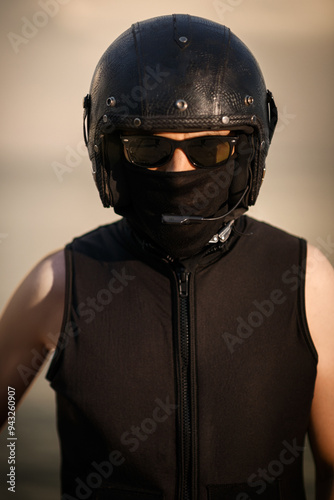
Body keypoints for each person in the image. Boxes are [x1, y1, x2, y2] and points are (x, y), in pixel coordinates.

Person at [0, 13, 333, 500]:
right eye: (147, 147)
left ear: (247, 152)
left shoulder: (307, 281)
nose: (178, 172)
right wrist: (10, 474)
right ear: (108, 151)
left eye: (210, 150)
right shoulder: (59, 284)